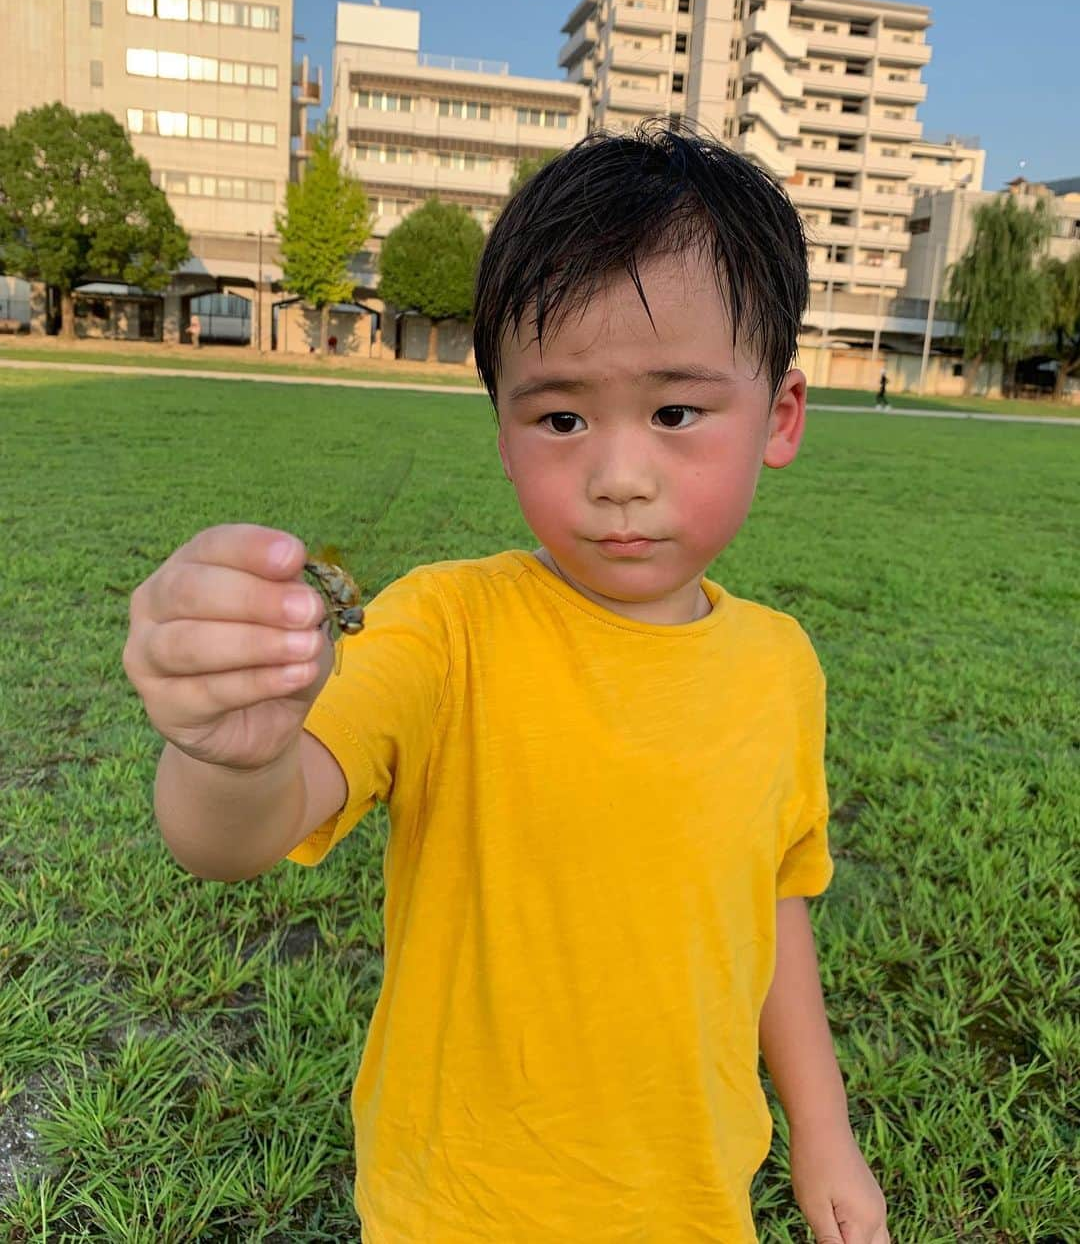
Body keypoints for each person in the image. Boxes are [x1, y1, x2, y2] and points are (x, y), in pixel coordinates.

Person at [123, 122, 889, 1243]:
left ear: (779, 415)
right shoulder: (446, 627)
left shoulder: (781, 666)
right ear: (502, 430)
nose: (619, 477)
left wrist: (825, 1136)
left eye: (677, 412)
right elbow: (238, 831)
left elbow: (773, 899)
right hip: (458, 1208)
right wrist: (224, 752)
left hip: (693, 1204)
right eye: (561, 416)